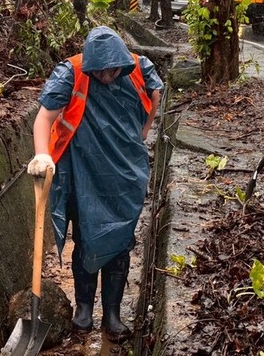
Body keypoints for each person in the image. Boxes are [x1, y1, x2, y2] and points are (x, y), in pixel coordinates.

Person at [26, 26, 163, 342]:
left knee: (121, 239)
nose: (105, 76)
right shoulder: (71, 72)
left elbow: (156, 95)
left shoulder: (140, 68)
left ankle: (112, 314)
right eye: (98, 71)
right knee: (86, 235)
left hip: (125, 173)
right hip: (82, 169)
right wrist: (42, 155)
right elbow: (44, 117)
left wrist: (143, 132)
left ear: (121, 62)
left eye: (111, 70)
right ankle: (84, 309)